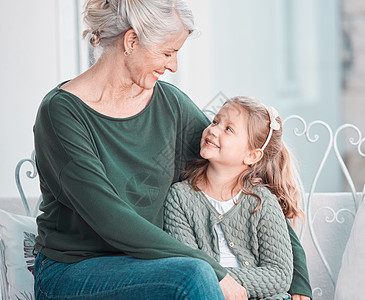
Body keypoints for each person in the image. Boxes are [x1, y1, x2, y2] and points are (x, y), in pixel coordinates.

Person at [32, 0, 311, 299]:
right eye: (167, 52)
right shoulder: (61, 113)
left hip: (152, 267)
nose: (173, 65)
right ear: (132, 41)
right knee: (192, 276)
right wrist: (214, 271)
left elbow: (239, 179)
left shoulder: (170, 105)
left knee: (192, 274)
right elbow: (110, 218)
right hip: (74, 271)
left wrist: (298, 283)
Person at [164, 96, 312, 299]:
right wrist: (216, 284)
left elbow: (279, 275)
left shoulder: (262, 201)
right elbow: (190, 268)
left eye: (229, 129)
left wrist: (220, 280)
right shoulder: (179, 198)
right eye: (215, 122)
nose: (213, 130)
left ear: (252, 156)